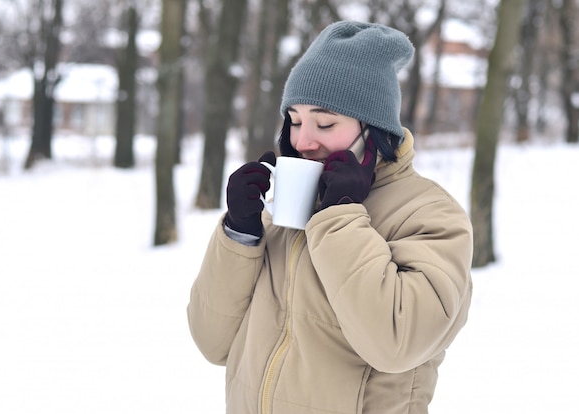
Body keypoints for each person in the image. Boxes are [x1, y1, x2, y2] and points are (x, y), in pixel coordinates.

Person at [188, 20, 473, 414]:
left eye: (324, 123)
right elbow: (211, 341)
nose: (303, 141)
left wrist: (340, 218)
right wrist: (240, 233)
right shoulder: (284, 210)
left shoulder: (430, 215)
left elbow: (396, 343)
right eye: (295, 120)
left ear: (373, 131)